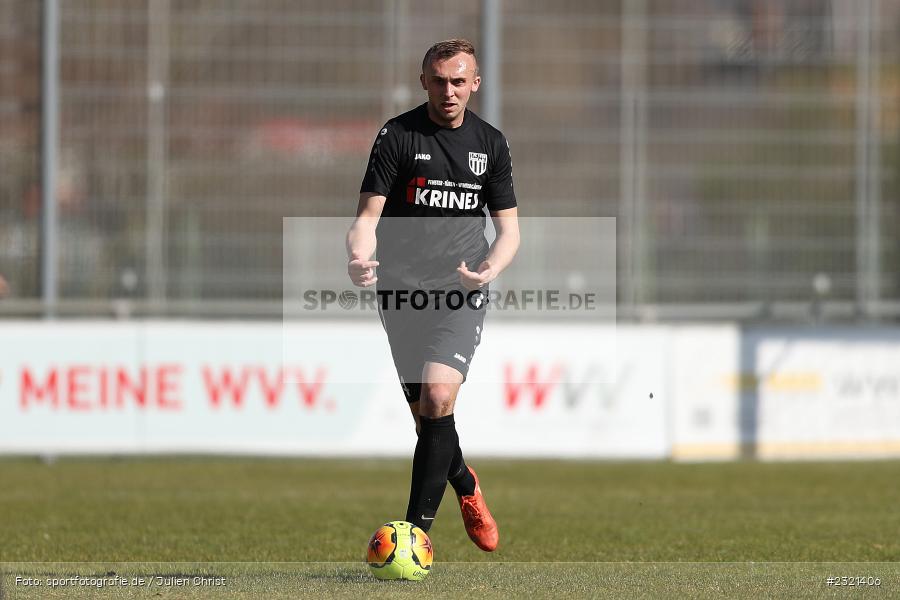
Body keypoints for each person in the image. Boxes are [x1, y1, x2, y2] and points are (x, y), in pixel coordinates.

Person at [346, 39, 519, 552]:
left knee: (439, 397)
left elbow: (509, 232)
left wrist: (488, 269)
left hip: (459, 291)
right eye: (439, 80)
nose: (449, 91)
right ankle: (466, 484)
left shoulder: (491, 144)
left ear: (475, 84)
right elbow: (366, 219)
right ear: (424, 81)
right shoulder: (397, 135)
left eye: (459, 81)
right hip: (401, 293)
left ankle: (413, 536)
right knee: (429, 413)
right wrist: (359, 257)